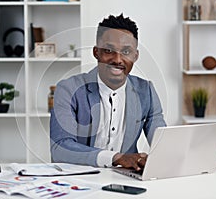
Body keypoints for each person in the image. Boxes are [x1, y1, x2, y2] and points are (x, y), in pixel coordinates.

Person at [50, 14, 166, 171]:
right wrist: (116, 158)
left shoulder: (146, 91)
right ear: (96, 52)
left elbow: (162, 143)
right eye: (109, 50)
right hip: (81, 177)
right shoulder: (69, 89)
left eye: (126, 51)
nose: (118, 59)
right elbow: (61, 148)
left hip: (128, 179)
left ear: (135, 56)